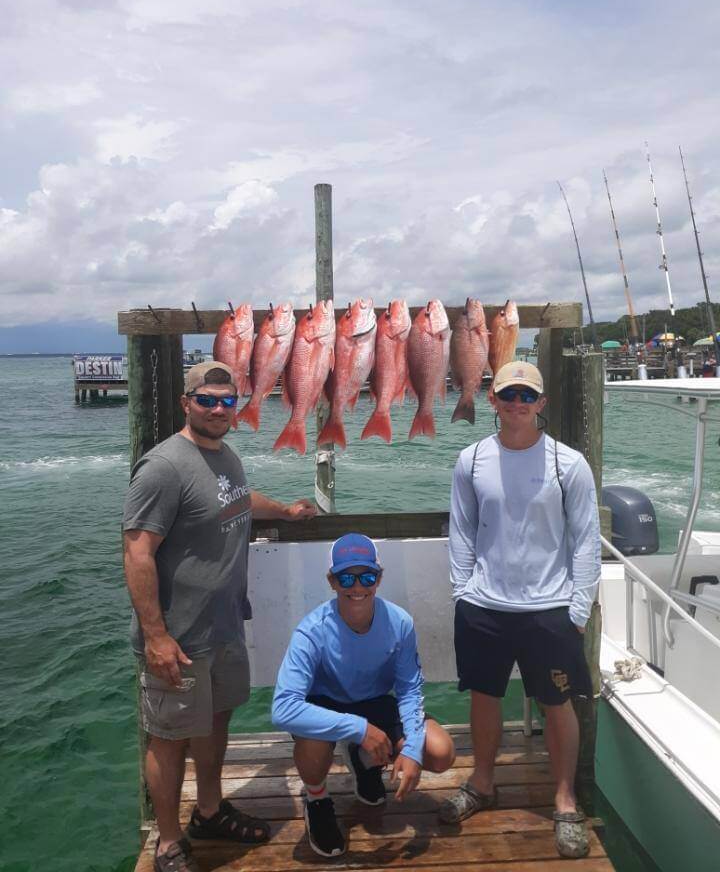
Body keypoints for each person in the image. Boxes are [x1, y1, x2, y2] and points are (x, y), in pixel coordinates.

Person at [123, 361, 317, 872]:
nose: (216, 408)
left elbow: (236, 500)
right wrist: (156, 636)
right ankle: (167, 842)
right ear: (187, 402)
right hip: (179, 638)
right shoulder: (163, 466)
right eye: (206, 399)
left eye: (226, 401)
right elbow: (137, 552)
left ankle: (208, 812)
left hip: (225, 627)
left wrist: (284, 511)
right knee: (168, 740)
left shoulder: (225, 456)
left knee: (215, 725)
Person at [441, 361, 601, 860]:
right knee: (484, 697)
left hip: (550, 608)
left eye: (526, 396)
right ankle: (483, 783)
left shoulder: (567, 463)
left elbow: (586, 540)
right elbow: (461, 530)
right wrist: (462, 592)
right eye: (507, 394)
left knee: (559, 703)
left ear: (541, 403)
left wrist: (577, 609)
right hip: (483, 606)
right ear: (492, 400)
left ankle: (565, 798)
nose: (516, 403)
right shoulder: (470, 460)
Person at [271, 533, 456, 858]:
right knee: (313, 743)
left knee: (440, 752)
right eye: (347, 577)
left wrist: (412, 750)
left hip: (375, 703)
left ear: (379, 578)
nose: (358, 587)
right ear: (332, 581)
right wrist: (358, 729)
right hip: (325, 703)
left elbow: (410, 688)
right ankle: (316, 799)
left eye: (367, 576)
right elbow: (283, 708)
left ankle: (363, 759)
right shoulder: (310, 631)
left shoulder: (400, 623)